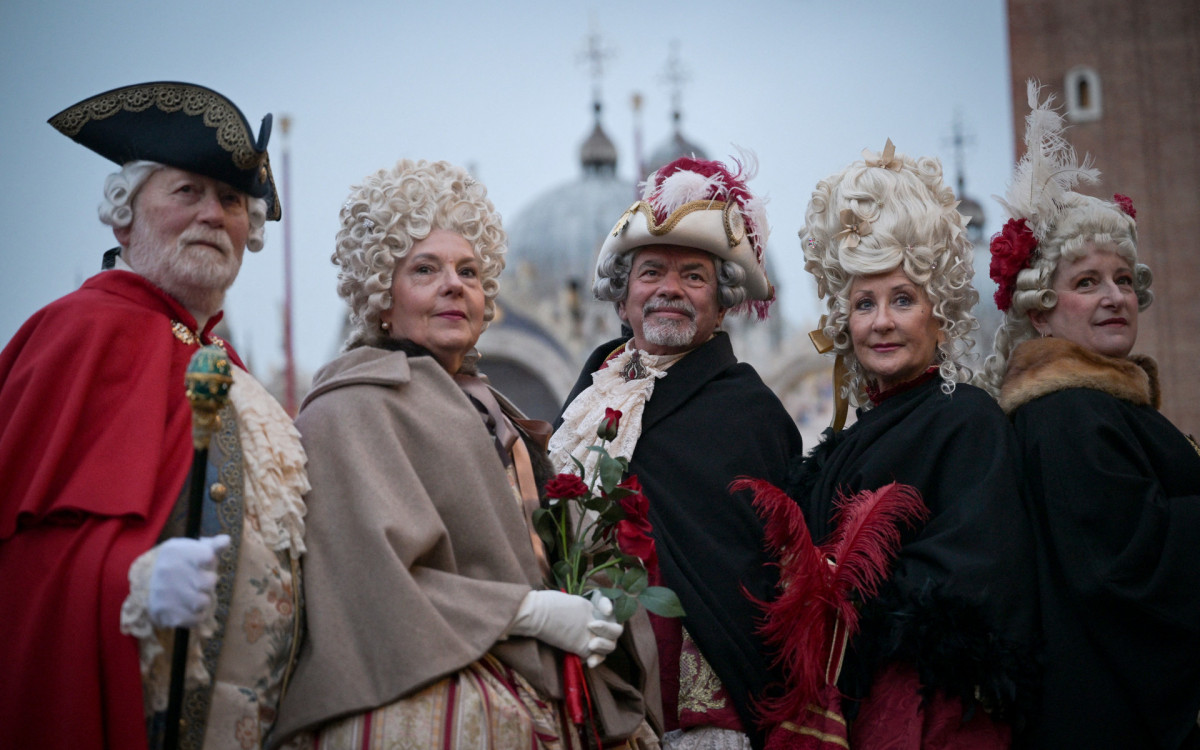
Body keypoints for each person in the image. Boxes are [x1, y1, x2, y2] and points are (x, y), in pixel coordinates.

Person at [269, 159, 654, 750]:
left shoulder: (490, 405)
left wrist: (599, 593)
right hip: (429, 700)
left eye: (469, 271)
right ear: (380, 296)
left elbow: (549, 540)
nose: (455, 284)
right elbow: (369, 579)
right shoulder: (348, 409)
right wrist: (527, 613)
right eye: (426, 268)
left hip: (541, 691)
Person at [0, 82, 308, 750]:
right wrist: (127, 583)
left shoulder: (241, 374)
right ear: (124, 217)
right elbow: (15, 565)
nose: (211, 214)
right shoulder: (74, 334)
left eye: (229, 200)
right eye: (186, 192)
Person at [778, 139, 1038, 747]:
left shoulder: (967, 419)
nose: (881, 322)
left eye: (902, 300)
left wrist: (848, 589)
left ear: (938, 315)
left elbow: (976, 573)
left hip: (930, 711)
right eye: (863, 304)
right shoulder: (852, 434)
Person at [550, 155, 803, 750]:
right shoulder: (590, 390)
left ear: (722, 302)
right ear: (622, 298)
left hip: (698, 710)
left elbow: (761, 579)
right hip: (578, 682)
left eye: (693, 275)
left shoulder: (751, 414)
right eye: (651, 272)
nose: (669, 289)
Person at [979, 82, 1200, 749]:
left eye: (1124, 280)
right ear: (1040, 308)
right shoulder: (1068, 413)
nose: (1114, 297)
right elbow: (1126, 573)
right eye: (1087, 282)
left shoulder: (1090, 403)